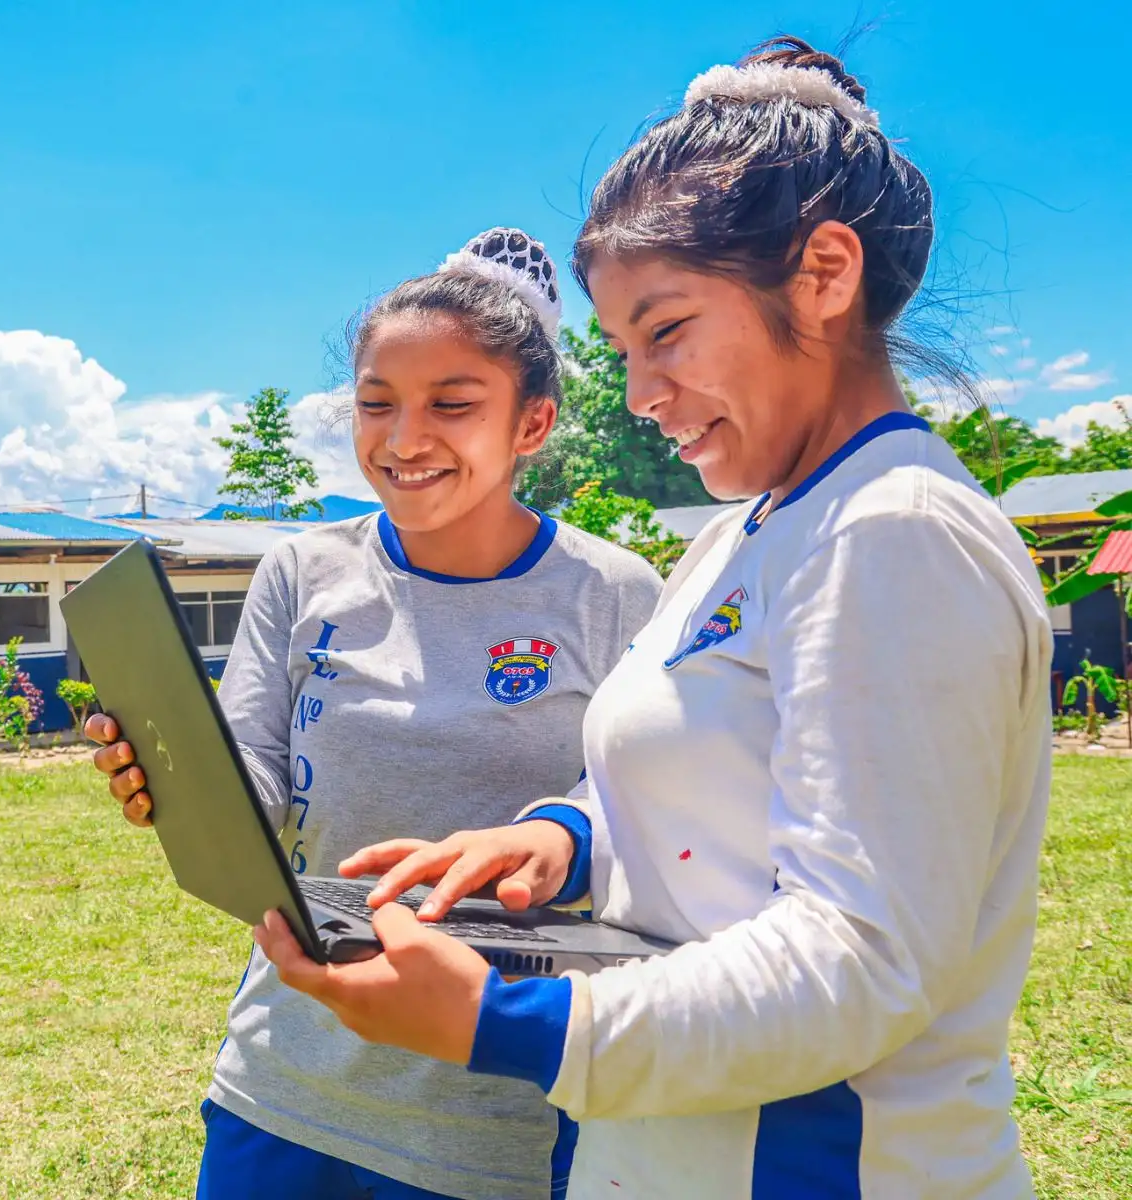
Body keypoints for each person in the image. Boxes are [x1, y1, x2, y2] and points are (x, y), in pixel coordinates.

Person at [254, 37, 1053, 1200]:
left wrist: (505, 1021)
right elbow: (715, 800)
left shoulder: (893, 530)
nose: (638, 393)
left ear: (824, 276)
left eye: (667, 331)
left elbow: (861, 957)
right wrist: (562, 839)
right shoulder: (747, 532)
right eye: (623, 349)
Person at [87, 228, 663, 1199]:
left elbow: (640, 807)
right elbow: (257, 776)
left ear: (533, 424)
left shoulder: (612, 595)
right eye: (376, 404)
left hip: (491, 1111)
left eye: (452, 404)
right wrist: (178, 778)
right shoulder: (303, 571)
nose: (404, 440)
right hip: (283, 1078)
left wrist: (561, 830)